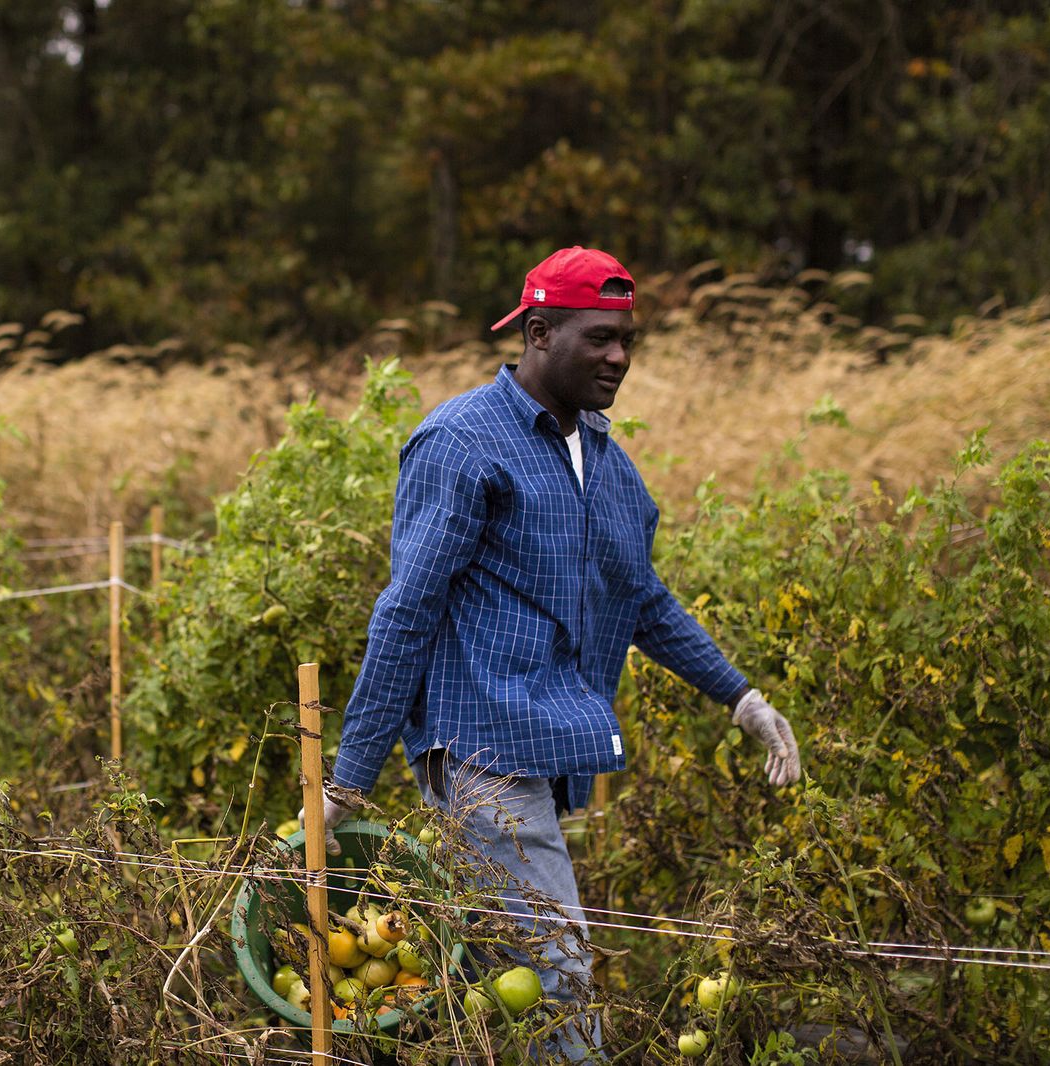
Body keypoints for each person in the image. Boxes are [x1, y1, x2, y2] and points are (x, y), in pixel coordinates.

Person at [301, 246, 801, 1059]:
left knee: (508, 987)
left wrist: (742, 698)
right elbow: (408, 611)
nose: (619, 357)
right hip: (481, 756)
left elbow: (641, 597)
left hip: (545, 747)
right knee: (558, 979)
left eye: (627, 340)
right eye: (599, 338)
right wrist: (348, 782)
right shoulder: (463, 443)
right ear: (539, 331)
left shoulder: (601, 458)